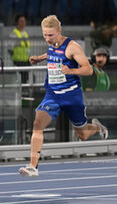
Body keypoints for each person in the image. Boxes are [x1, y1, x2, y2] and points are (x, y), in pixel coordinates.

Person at [18, 15, 108, 177]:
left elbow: (88, 69)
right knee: (37, 123)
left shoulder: (72, 47)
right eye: (44, 35)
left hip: (72, 96)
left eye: (50, 35)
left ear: (59, 31)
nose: (47, 39)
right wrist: (39, 58)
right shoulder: (52, 44)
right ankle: (33, 166)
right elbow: (52, 53)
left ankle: (96, 127)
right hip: (53, 95)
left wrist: (71, 71)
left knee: (83, 135)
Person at [8, 14, 31, 83]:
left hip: (26, 60)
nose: (23, 23)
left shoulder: (25, 33)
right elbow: (10, 48)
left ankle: (25, 92)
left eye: (24, 21)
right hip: (18, 61)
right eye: (21, 21)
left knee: (27, 78)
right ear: (17, 22)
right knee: (21, 79)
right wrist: (14, 58)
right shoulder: (14, 34)